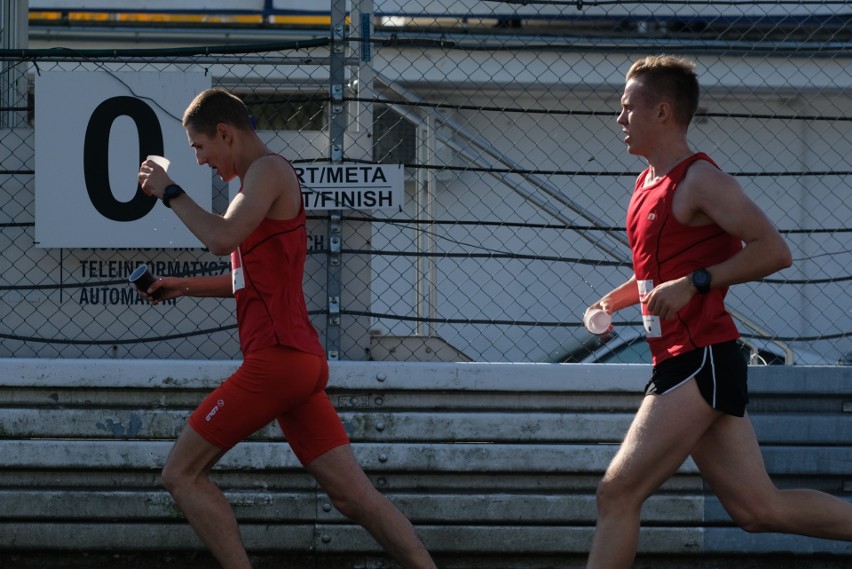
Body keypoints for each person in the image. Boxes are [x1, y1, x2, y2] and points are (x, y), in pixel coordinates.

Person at [137, 88, 436, 569]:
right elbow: (244, 277)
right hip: (298, 364)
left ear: (226, 133)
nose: (199, 160)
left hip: (276, 361)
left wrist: (170, 191)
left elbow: (220, 238)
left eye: (199, 147)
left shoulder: (268, 172)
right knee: (353, 498)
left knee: (181, 474)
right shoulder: (253, 186)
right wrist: (181, 285)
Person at [583, 55, 852, 569]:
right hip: (681, 358)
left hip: (700, 357)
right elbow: (657, 273)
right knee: (757, 509)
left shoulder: (700, 180)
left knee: (616, 494)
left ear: (662, 112)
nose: (619, 120)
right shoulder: (646, 185)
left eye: (626, 108)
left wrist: (697, 282)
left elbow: (773, 250)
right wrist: (614, 301)